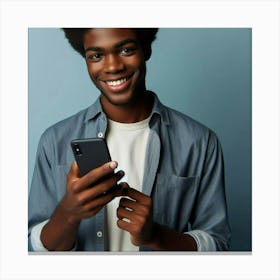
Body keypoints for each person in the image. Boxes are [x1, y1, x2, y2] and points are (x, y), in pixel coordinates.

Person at [28, 28, 231, 252]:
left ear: (147, 49)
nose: (113, 66)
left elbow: (217, 244)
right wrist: (68, 213)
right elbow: (34, 250)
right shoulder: (54, 141)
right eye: (96, 56)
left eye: (126, 50)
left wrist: (156, 236)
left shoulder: (200, 142)